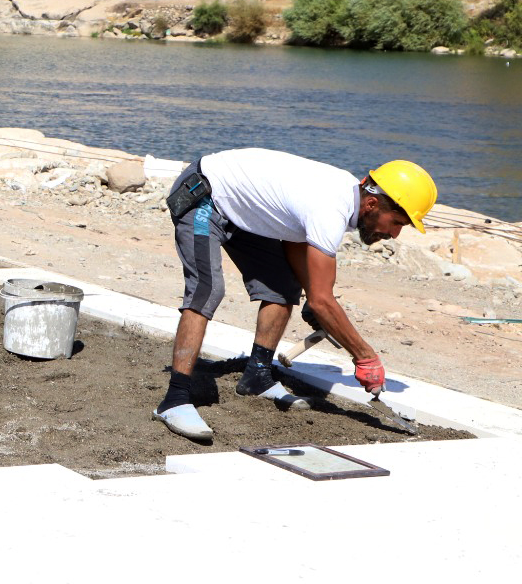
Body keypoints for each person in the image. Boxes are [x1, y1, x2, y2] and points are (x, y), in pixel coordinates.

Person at [153, 149, 437, 441]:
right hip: (205, 194)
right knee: (207, 289)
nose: (394, 234)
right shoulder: (330, 209)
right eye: (397, 223)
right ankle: (175, 400)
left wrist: (315, 297)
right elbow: (323, 300)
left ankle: (257, 376)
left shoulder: (344, 197)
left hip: (242, 209)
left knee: (283, 284)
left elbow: (295, 239)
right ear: (372, 204)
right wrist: (365, 357)